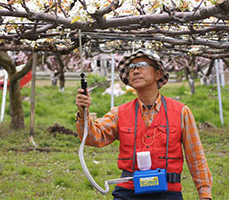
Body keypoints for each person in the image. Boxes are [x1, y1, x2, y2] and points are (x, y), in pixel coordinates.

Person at [75, 49, 212, 200]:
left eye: (141, 65)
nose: (135, 70)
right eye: (131, 68)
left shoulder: (181, 112)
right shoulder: (119, 113)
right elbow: (92, 138)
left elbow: (196, 156)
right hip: (128, 190)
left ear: (158, 74)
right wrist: (83, 113)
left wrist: (204, 194)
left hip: (167, 191)